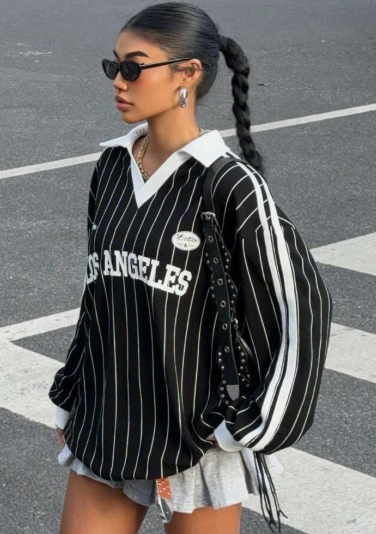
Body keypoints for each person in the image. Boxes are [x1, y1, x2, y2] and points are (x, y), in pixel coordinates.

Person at [49, 3, 333, 533]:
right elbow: (99, 295)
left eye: (134, 67)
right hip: (110, 421)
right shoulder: (112, 166)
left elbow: (303, 306)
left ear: (188, 73)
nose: (119, 81)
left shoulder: (230, 184)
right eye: (114, 65)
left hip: (198, 440)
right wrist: (72, 397)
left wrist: (247, 428)